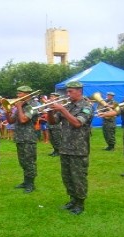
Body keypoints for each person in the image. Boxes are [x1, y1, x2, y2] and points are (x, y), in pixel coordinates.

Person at [47, 81, 93, 215]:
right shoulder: (68, 105)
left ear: (79, 91)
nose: (67, 94)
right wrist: (50, 111)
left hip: (79, 148)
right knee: (67, 176)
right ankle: (72, 199)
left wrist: (62, 109)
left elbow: (77, 123)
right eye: (67, 91)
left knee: (78, 177)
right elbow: (53, 122)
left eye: (70, 91)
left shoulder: (87, 106)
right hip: (65, 147)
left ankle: (80, 203)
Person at [5, 86, 38, 193]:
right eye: (18, 93)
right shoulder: (21, 105)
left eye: (20, 93)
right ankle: (26, 181)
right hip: (20, 137)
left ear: (27, 94)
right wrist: (7, 111)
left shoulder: (32, 106)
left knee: (29, 161)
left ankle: (31, 184)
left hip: (28, 138)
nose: (17, 96)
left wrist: (18, 107)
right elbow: (11, 121)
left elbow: (23, 120)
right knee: (23, 161)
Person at [47, 92, 62, 157]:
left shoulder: (60, 104)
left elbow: (57, 112)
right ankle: (55, 150)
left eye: (52, 96)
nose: (51, 97)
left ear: (57, 97)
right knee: (51, 139)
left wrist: (53, 104)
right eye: (50, 96)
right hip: (50, 124)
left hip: (57, 125)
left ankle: (59, 151)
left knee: (57, 139)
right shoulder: (49, 104)